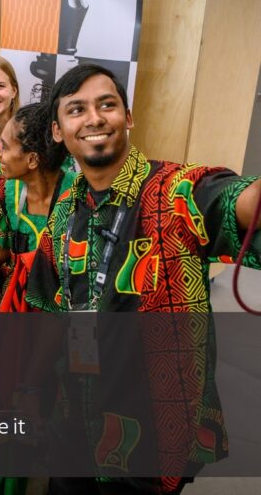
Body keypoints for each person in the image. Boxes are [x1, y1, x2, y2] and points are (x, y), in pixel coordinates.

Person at [26, 64, 261, 494]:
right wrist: (29, 389)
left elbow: (238, 200)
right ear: (58, 131)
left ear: (128, 117)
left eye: (107, 105)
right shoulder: (63, 213)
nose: (94, 118)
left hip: (150, 436)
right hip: (73, 423)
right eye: (76, 109)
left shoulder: (176, 191)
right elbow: (48, 311)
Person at [0, 102, 76, 306]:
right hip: (19, 306)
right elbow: (4, 247)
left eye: (5, 146)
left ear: (32, 160)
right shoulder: (5, 193)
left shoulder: (80, 196)